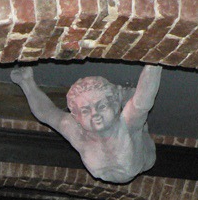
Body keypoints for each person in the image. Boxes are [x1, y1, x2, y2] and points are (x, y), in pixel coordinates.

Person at [11, 64, 163, 184]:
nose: (94, 113)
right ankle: (123, 96)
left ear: (115, 106)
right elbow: (47, 113)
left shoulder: (127, 124)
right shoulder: (75, 131)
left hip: (144, 157)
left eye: (101, 106)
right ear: (76, 116)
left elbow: (142, 102)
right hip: (118, 170)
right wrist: (26, 82)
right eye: (85, 110)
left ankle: (124, 97)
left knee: (136, 114)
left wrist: (155, 61)